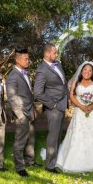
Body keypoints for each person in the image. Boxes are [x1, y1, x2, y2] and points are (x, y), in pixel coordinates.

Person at [34, 43, 69, 174]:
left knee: (58, 134)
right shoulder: (42, 70)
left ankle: (55, 159)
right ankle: (50, 166)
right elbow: (37, 92)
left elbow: (63, 82)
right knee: (53, 137)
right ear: (47, 54)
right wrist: (52, 104)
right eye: (54, 52)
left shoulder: (58, 64)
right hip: (53, 108)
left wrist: (67, 98)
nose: (56, 54)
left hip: (62, 105)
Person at [6, 47, 41, 178]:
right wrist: (20, 115)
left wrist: (33, 108)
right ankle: (20, 167)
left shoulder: (25, 73)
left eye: (28, 58)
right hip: (21, 114)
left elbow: (28, 94)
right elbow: (12, 98)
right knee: (20, 141)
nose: (28, 61)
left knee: (31, 137)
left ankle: (30, 161)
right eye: (25, 59)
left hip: (30, 111)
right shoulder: (12, 76)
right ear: (17, 60)